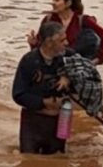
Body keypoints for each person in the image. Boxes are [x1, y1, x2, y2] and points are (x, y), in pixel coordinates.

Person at [13, 21, 71, 154]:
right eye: (62, 40)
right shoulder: (29, 61)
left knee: (60, 157)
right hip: (33, 120)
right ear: (49, 42)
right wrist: (43, 103)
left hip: (63, 117)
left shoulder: (69, 57)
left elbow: (86, 72)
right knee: (28, 160)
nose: (66, 43)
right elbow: (18, 94)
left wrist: (68, 76)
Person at [27, 0, 103, 65]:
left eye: (56, 0)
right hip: (54, 67)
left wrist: (98, 59)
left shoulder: (84, 20)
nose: (52, 3)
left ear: (68, 3)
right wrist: (33, 44)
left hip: (78, 67)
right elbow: (41, 49)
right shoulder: (48, 20)